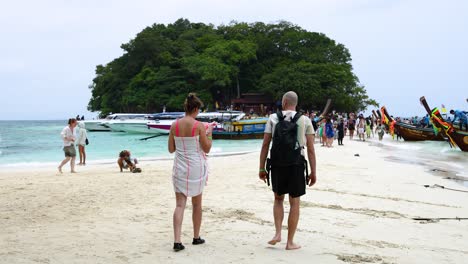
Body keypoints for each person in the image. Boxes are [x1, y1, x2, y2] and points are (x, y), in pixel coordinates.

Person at [259, 91, 317, 250]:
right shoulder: (305, 120)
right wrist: (313, 171)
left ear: (284, 102)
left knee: (278, 199)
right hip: (296, 163)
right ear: (295, 103)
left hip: (277, 163)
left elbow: (265, 144)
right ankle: (290, 242)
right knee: (294, 203)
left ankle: (277, 233)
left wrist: (261, 167)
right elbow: (311, 149)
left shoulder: (272, 118)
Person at [168, 93, 214, 252]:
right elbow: (207, 148)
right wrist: (209, 134)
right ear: (194, 109)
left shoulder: (174, 125)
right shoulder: (199, 125)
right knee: (196, 204)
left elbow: (171, 149)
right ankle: (196, 237)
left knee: (180, 205)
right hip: (196, 168)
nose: (198, 113)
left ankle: (177, 241)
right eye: (198, 110)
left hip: (180, 167)